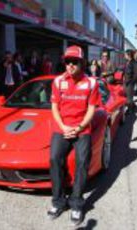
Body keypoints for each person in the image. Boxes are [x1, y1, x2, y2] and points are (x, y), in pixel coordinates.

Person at [48, 45, 101, 225]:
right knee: (55, 159)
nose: (70, 65)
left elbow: (92, 109)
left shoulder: (91, 82)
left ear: (82, 63)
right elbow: (54, 106)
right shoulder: (57, 81)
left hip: (82, 129)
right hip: (61, 128)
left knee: (82, 163)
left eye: (74, 62)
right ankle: (58, 201)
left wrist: (78, 128)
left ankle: (77, 203)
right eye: (67, 62)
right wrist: (63, 126)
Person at [124, 49, 137, 114]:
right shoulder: (127, 62)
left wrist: (132, 82)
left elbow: (136, 74)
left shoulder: (134, 63)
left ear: (129, 55)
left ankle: (130, 110)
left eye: (125, 54)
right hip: (126, 82)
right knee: (127, 96)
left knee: (129, 97)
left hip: (130, 82)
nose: (124, 55)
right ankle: (132, 106)